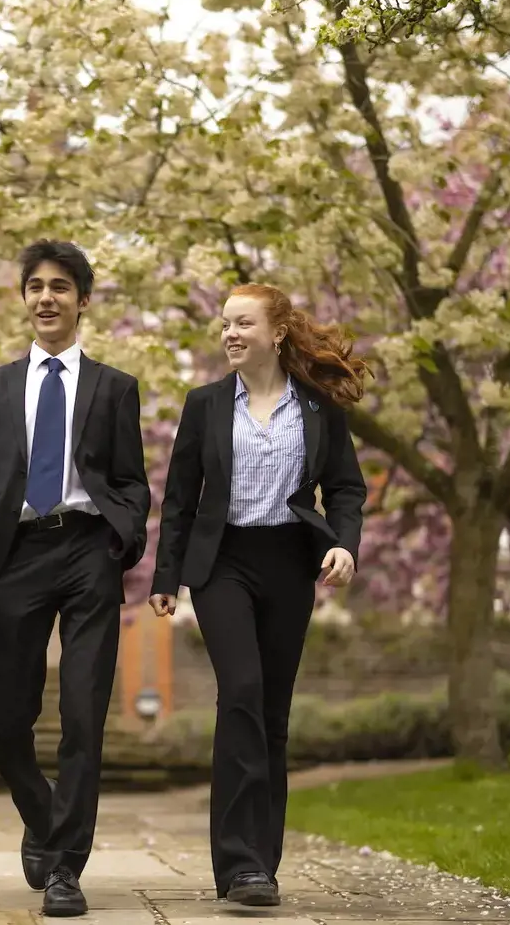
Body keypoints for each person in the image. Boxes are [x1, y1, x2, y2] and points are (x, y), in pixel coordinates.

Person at [147, 283, 368, 907]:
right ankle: (239, 863)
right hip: (223, 564)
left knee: (271, 712)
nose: (229, 334)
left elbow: (347, 489)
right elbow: (181, 499)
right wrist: (167, 578)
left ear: (276, 332)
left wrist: (345, 544)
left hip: (290, 564)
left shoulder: (320, 408)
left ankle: (259, 866)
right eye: (224, 325)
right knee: (240, 691)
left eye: (243, 323)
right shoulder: (207, 405)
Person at [0, 240, 151, 918]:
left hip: (85, 554)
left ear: (83, 301)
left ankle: (66, 867)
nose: (47, 298)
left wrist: (117, 541)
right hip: (14, 557)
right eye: (36, 287)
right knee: (3, 721)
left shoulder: (115, 387)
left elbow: (131, 481)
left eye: (61, 288)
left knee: (81, 715)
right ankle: (43, 816)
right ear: (24, 298)